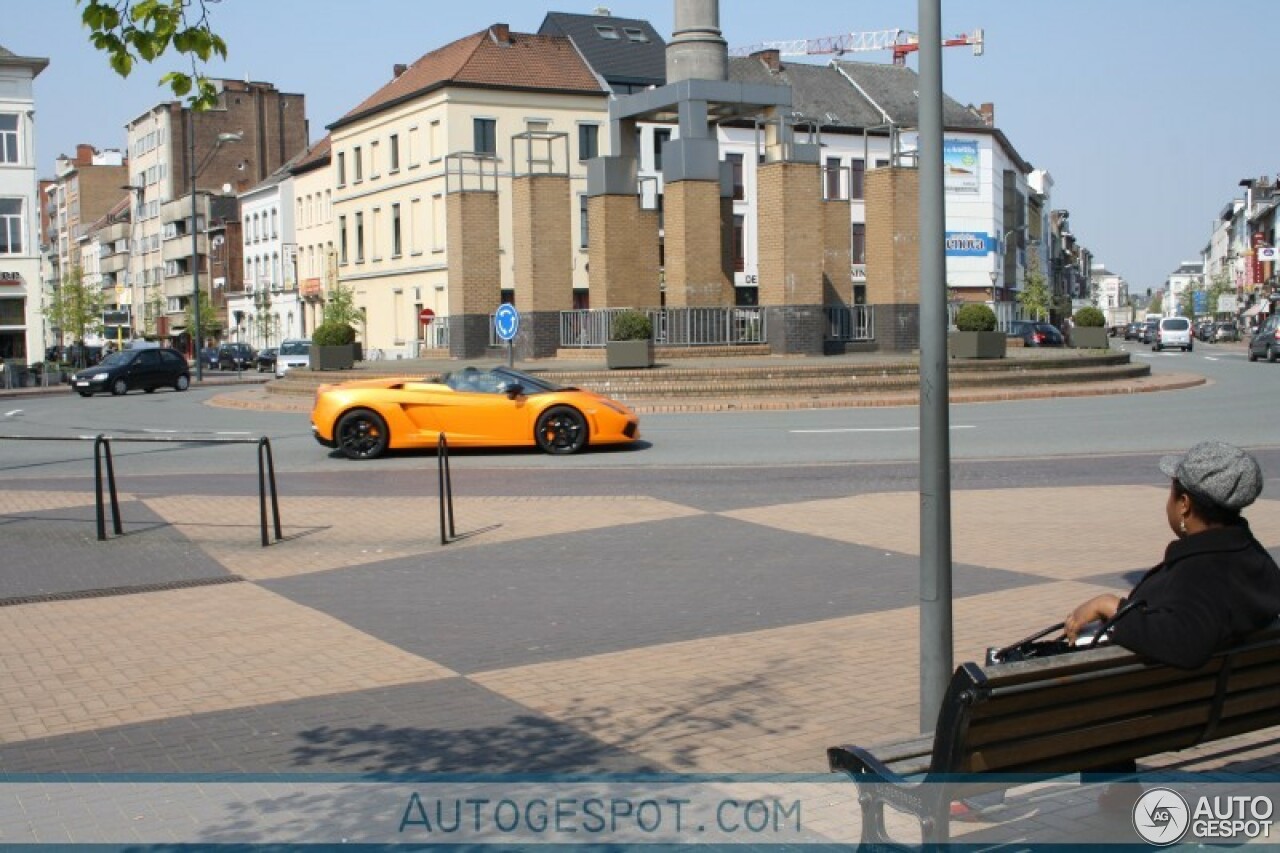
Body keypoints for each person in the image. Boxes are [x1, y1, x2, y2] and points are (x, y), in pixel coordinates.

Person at [1065, 441, 1280, 670]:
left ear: (1184, 504)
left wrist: (1109, 606)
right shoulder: (1255, 560)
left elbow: (1186, 643)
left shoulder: (1199, 571)